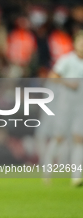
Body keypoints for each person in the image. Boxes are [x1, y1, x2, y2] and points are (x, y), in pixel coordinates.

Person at [43, 31, 83, 186]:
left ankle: (76, 177)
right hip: (65, 105)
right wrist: (68, 83)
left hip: (80, 106)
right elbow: (53, 76)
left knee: (79, 139)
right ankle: (47, 173)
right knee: (59, 137)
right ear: (75, 43)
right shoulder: (67, 60)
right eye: (81, 42)